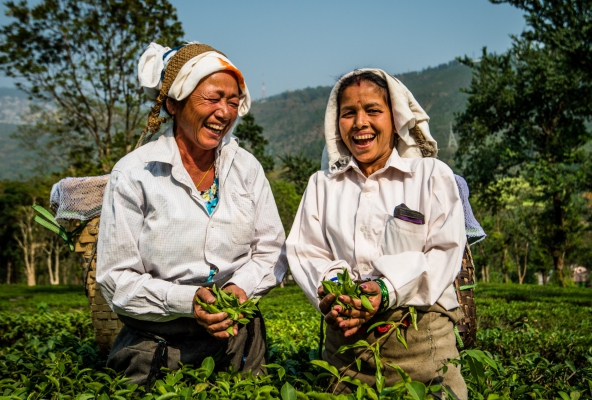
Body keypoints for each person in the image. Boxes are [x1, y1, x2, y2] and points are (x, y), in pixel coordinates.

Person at [97, 42, 286, 388]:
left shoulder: (245, 168)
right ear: (173, 104)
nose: (225, 112)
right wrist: (188, 301)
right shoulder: (135, 173)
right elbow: (116, 279)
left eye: (232, 101)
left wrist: (238, 290)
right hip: (156, 347)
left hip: (237, 340)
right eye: (213, 99)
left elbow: (270, 248)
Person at [286, 69, 468, 399]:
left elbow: (444, 253)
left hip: (420, 345)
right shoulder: (323, 185)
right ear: (336, 122)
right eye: (349, 113)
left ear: (395, 117)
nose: (360, 123)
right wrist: (336, 292)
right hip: (346, 348)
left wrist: (385, 290)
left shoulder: (431, 176)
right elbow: (305, 250)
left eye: (373, 110)